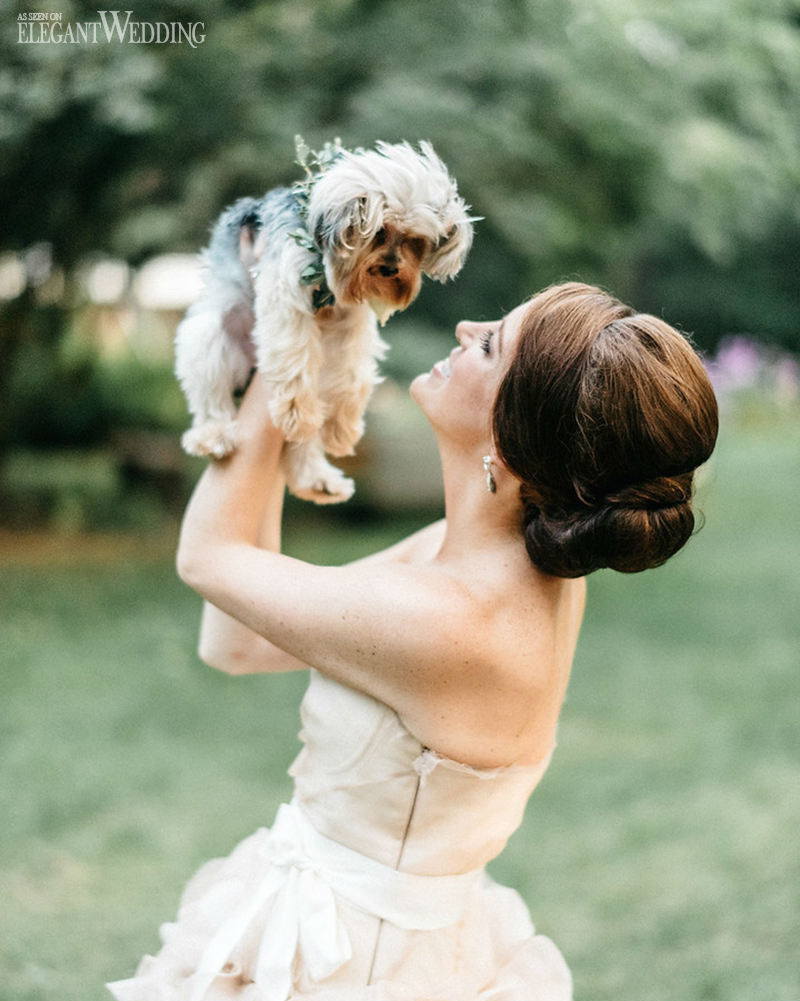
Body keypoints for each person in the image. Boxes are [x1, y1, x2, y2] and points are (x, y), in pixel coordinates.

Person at [107, 282, 719, 1001]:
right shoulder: (499, 567)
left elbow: (208, 557)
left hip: (352, 969)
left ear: (509, 438)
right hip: (387, 935)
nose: (465, 325)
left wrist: (289, 344)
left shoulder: (448, 621)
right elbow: (240, 639)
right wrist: (286, 374)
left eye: (491, 344)